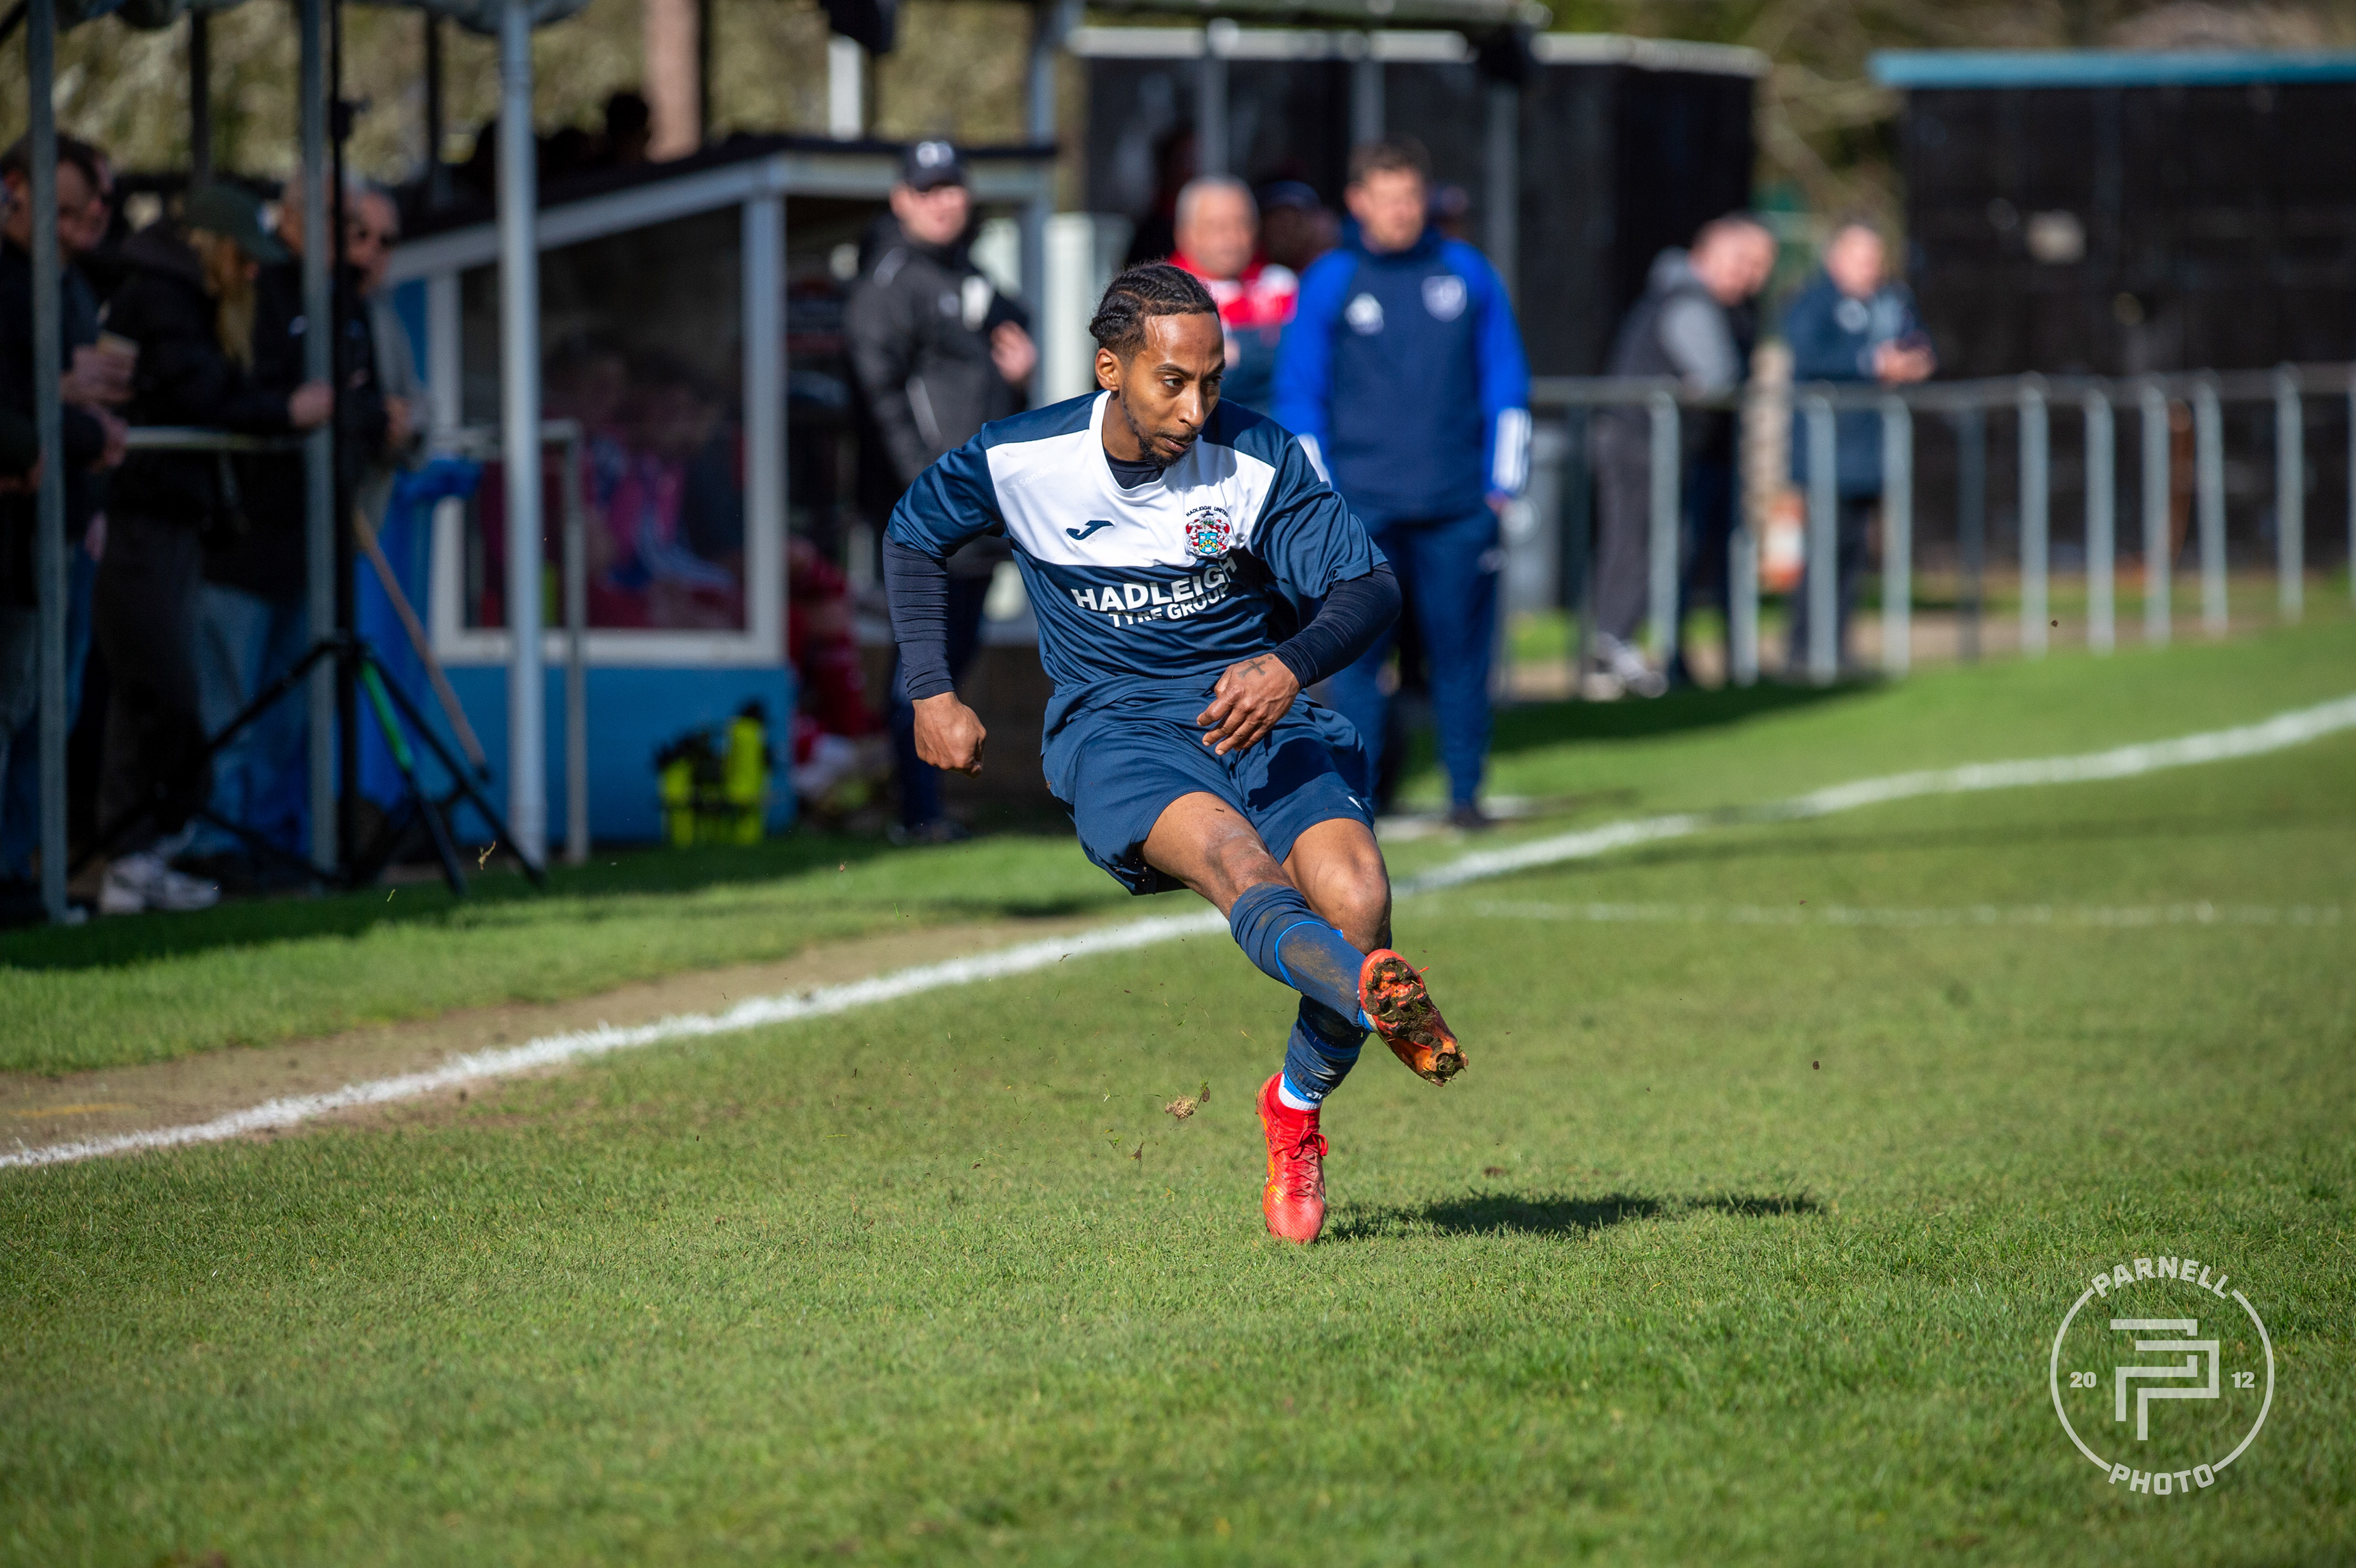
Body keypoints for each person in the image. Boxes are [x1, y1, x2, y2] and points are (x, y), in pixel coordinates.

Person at [888, 261, 1457, 1246]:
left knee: (1359, 899)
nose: (1197, 409)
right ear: (1110, 368)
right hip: (1118, 728)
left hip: (1257, 709)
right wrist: (932, 690)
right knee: (1239, 864)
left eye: (1213, 381)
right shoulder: (1022, 458)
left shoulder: (1257, 457)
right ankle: (1372, 997)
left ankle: (1295, 1106)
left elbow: (1368, 589)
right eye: (1173, 382)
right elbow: (912, 536)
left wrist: (1287, 665)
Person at [1273, 139, 1530, 829]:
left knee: (1460, 656)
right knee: (1356, 661)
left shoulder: (1467, 272)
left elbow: (1506, 381)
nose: (1401, 212)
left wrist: (1501, 486)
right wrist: (1323, 502)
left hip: (1457, 505)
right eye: (1386, 199)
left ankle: (1465, 794)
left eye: (1411, 197)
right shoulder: (1331, 280)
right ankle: (1361, 798)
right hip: (1362, 510)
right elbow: (1300, 396)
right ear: (1358, 202)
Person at [96, 185, 333, 914]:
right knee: (163, 691)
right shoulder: (162, 298)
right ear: (211, 248)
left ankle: (143, 856)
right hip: (138, 517)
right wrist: (282, 411)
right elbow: (203, 395)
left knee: (157, 696)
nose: (255, 271)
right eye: (245, 257)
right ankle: (145, 849)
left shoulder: (194, 300)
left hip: (174, 518)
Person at [186, 176, 390, 876]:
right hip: (242, 542)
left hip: (317, 544)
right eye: (340, 220)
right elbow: (231, 393)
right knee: (228, 707)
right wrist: (293, 409)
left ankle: (267, 845)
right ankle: (213, 845)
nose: (351, 238)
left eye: (357, 224)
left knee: (291, 713)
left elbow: (365, 406)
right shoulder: (254, 286)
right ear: (295, 217)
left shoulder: (346, 301)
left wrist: (364, 415)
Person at [845, 139, 1036, 844]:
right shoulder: (891, 284)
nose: (942, 202)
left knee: (953, 655)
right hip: (930, 515)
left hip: (977, 512)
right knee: (925, 660)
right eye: (927, 190)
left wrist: (1020, 375)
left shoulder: (968, 273)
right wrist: (928, 497)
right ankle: (916, 811)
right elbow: (881, 403)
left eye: (952, 187)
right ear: (902, 199)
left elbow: (1005, 344)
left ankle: (921, 802)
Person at [0, 133, 127, 893]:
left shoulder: (72, 283)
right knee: (17, 700)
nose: (89, 222)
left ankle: (24, 868)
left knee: (56, 702)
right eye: (73, 209)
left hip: (70, 521)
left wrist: (94, 482)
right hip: (21, 531)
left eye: (98, 207)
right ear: (16, 187)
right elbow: (27, 405)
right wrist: (69, 411)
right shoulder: (10, 280)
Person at [1587, 214, 1776, 699]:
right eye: (1739, 263)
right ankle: (1610, 647)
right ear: (1706, 255)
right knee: (1635, 543)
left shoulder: (1699, 299)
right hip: (1639, 443)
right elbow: (1719, 376)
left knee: (1652, 544)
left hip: (1657, 444)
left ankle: (1617, 648)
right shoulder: (1689, 300)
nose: (1747, 276)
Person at [1782, 218, 1934, 671]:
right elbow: (1809, 353)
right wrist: (1871, 363)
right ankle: (1804, 650)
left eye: (1875, 257)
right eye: (1860, 257)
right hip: (1827, 453)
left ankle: (1838, 648)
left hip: (1871, 454)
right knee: (1823, 554)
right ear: (1835, 258)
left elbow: (1920, 344)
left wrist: (1914, 362)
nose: (1870, 266)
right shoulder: (1813, 301)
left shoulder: (1892, 300)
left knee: (1854, 555)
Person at [1167, 175, 1296, 416]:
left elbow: (1313, 358)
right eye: (1218, 227)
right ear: (1185, 234)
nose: (1233, 237)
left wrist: (1240, 354)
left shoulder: (1281, 283)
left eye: (1243, 224)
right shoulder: (1167, 295)